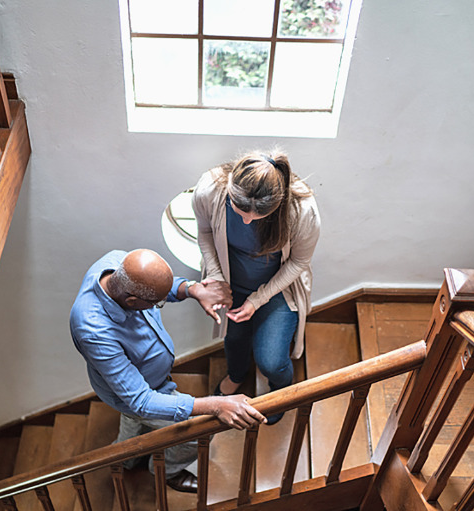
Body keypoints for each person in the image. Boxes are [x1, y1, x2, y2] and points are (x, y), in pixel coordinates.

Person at [69, 249, 265, 494]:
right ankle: (165, 471)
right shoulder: (94, 331)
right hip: (139, 394)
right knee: (196, 433)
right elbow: (140, 400)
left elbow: (162, 287)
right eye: (155, 304)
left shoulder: (119, 263)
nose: (158, 307)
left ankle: (125, 457)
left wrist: (192, 289)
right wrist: (216, 405)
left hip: (141, 383)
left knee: (133, 421)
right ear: (131, 302)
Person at [191, 149, 320, 425]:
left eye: (259, 215)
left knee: (272, 361)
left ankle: (280, 390)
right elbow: (204, 232)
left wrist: (258, 300)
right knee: (234, 339)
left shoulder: (302, 209)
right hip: (231, 282)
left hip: (277, 289)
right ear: (229, 189)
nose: (248, 220)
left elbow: (298, 262)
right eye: (240, 211)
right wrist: (217, 277)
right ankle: (237, 375)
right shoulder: (208, 190)